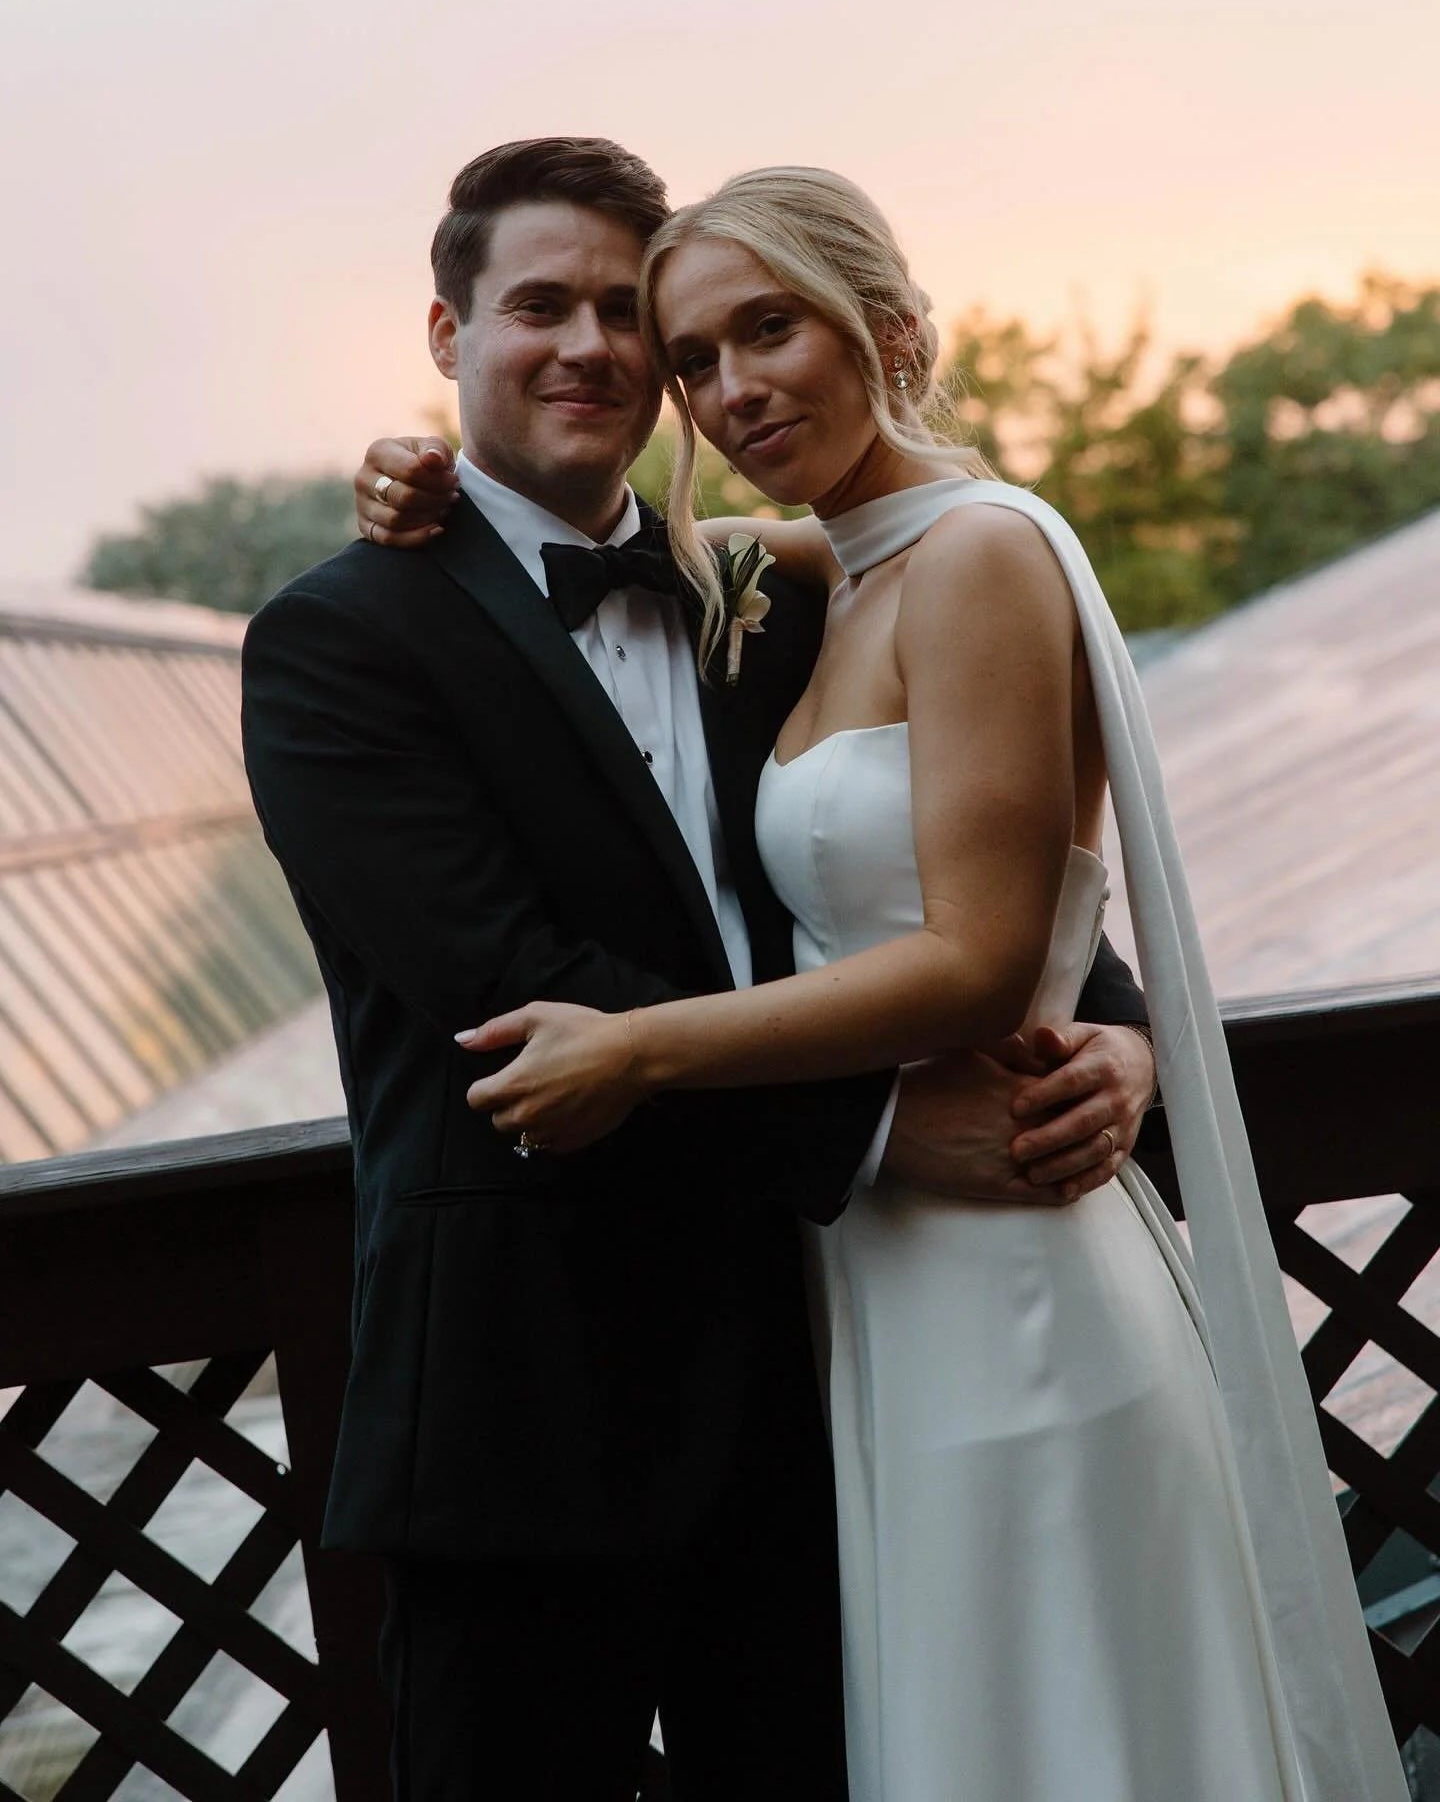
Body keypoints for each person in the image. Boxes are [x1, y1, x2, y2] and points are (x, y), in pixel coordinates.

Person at [376, 165, 1408, 1801]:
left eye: (763, 330)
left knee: (1077, 1727)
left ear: (897, 332)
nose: (726, 388)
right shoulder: (790, 583)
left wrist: (643, 1049)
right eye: (698, 355)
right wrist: (411, 478)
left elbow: (988, 948)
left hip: (1014, 1284)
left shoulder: (980, 554)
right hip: (831, 1310)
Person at [244, 138, 1160, 1801]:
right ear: (448, 339)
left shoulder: (763, 588)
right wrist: (873, 1135)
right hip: (528, 1421)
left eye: (624, 314)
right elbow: (514, 997)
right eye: (539, 306)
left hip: (818, 1392)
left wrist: (1110, 1030)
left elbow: (927, 855)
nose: (590, 347)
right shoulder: (340, 639)